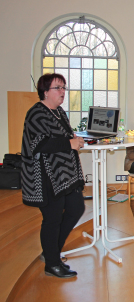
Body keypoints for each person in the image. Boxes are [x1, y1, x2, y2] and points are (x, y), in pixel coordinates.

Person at [21, 73, 86, 278]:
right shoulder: (36, 114)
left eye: (64, 88)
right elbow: (39, 144)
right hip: (45, 176)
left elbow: (61, 137)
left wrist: (74, 138)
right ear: (45, 92)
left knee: (77, 208)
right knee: (52, 219)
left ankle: (52, 253)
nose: (62, 92)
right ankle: (51, 263)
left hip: (64, 175)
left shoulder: (59, 112)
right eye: (58, 88)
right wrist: (69, 143)